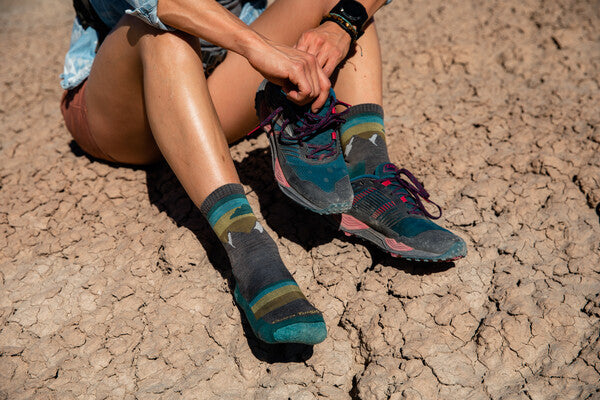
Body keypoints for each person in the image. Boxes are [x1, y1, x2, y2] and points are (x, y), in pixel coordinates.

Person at [59, 0, 467, 345]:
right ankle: (247, 243)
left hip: (209, 84)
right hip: (120, 111)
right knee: (160, 28)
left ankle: (367, 180)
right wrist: (259, 48)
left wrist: (342, 25)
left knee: (339, 8)